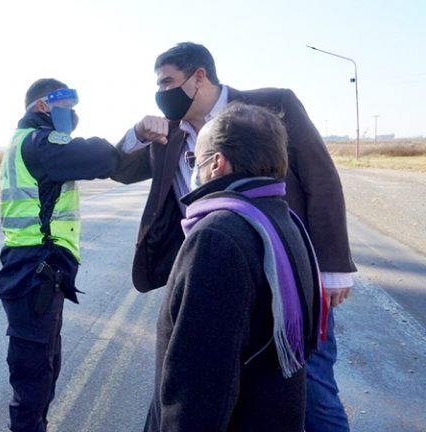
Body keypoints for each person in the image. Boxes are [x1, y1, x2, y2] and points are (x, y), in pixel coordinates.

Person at [111, 42, 356, 432]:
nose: (160, 93)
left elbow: (321, 178)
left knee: (311, 386)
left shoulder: (271, 105)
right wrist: (138, 133)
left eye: (167, 82)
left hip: (281, 270)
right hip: (211, 268)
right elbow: (121, 169)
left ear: (199, 77)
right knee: (228, 385)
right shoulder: (167, 134)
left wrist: (333, 268)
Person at [148, 102, 323, 431]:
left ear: (216, 165)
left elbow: (197, 388)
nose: (193, 171)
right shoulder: (283, 220)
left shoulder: (218, 238)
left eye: (193, 161)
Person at [0, 78, 118, 432]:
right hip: (34, 270)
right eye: (67, 107)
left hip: (36, 269)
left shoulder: (26, 143)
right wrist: (137, 136)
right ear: (42, 106)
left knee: (45, 366)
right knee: (33, 376)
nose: (73, 115)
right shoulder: (38, 142)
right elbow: (100, 157)